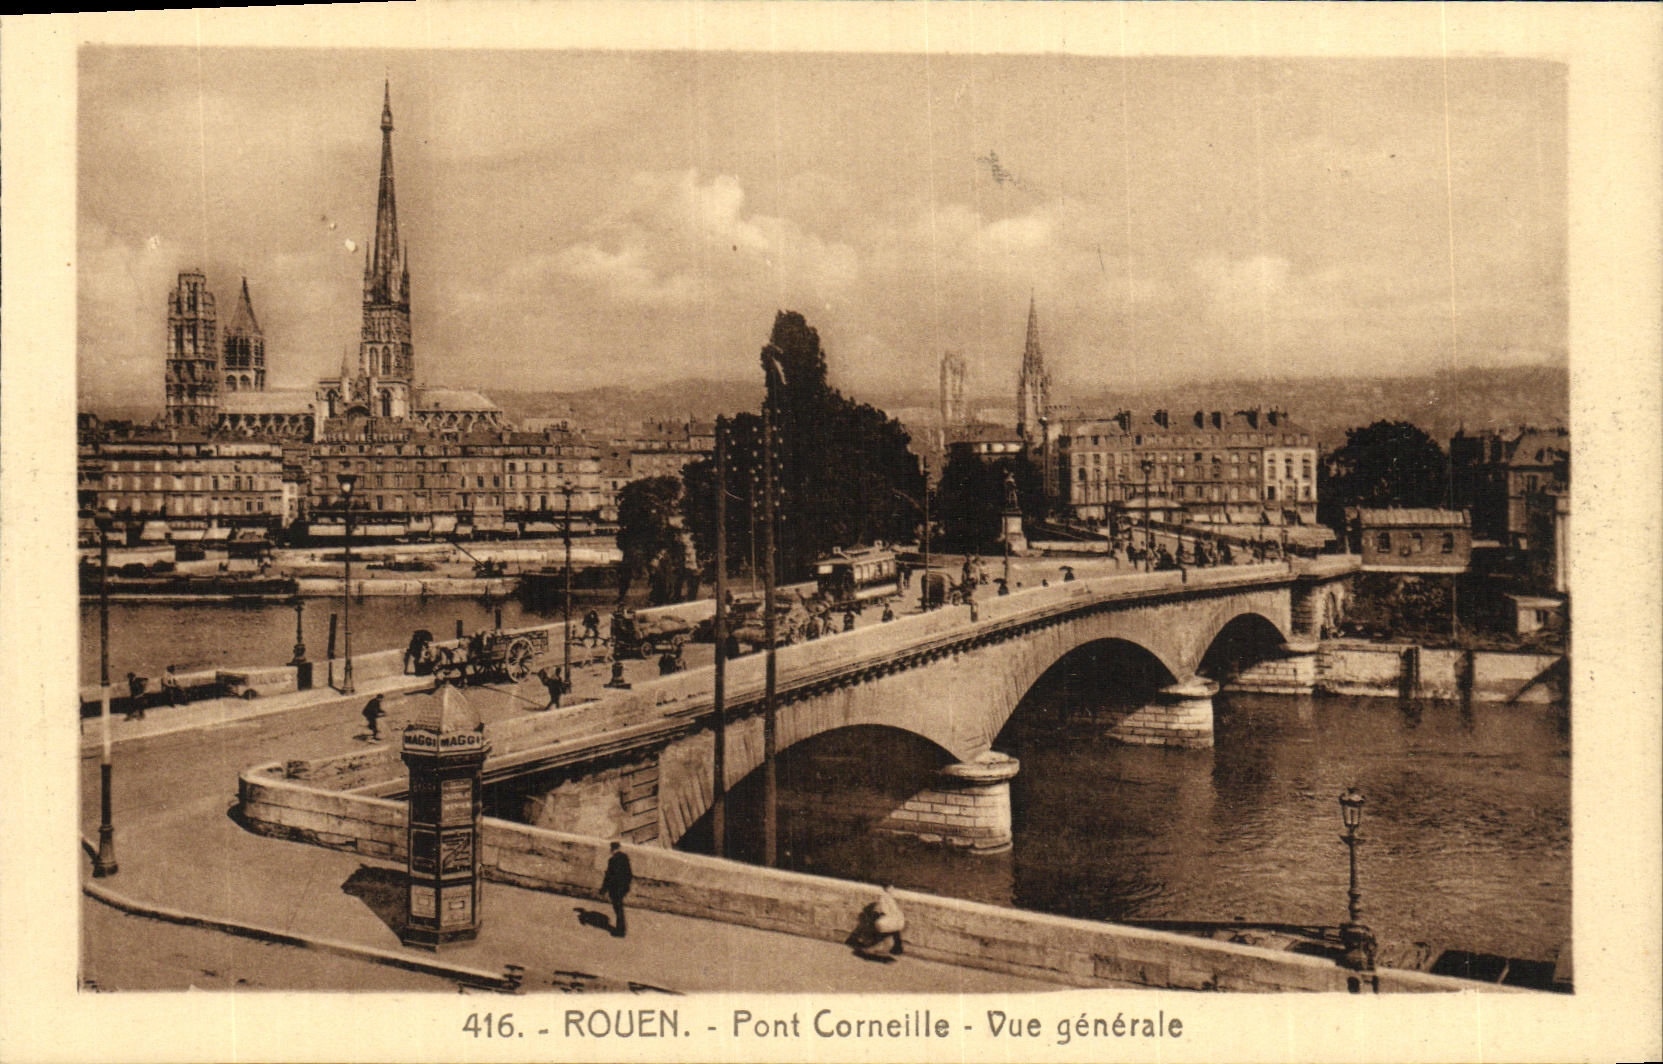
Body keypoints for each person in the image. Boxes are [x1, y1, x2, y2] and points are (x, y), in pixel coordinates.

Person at [859, 883, 906, 958]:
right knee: (885, 928)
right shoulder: (890, 898)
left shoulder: (883, 898)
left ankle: (881, 946)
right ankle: (888, 947)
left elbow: (881, 911)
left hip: (890, 921)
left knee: (879, 924)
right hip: (898, 921)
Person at [601, 841, 633, 938]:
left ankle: (620, 931)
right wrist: (626, 886)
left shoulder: (612, 860)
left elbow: (609, 876)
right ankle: (621, 929)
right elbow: (629, 874)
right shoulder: (625, 858)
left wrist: (604, 889)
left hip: (615, 888)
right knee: (619, 908)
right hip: (623, 888)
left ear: (612, 849)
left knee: (617, 908)